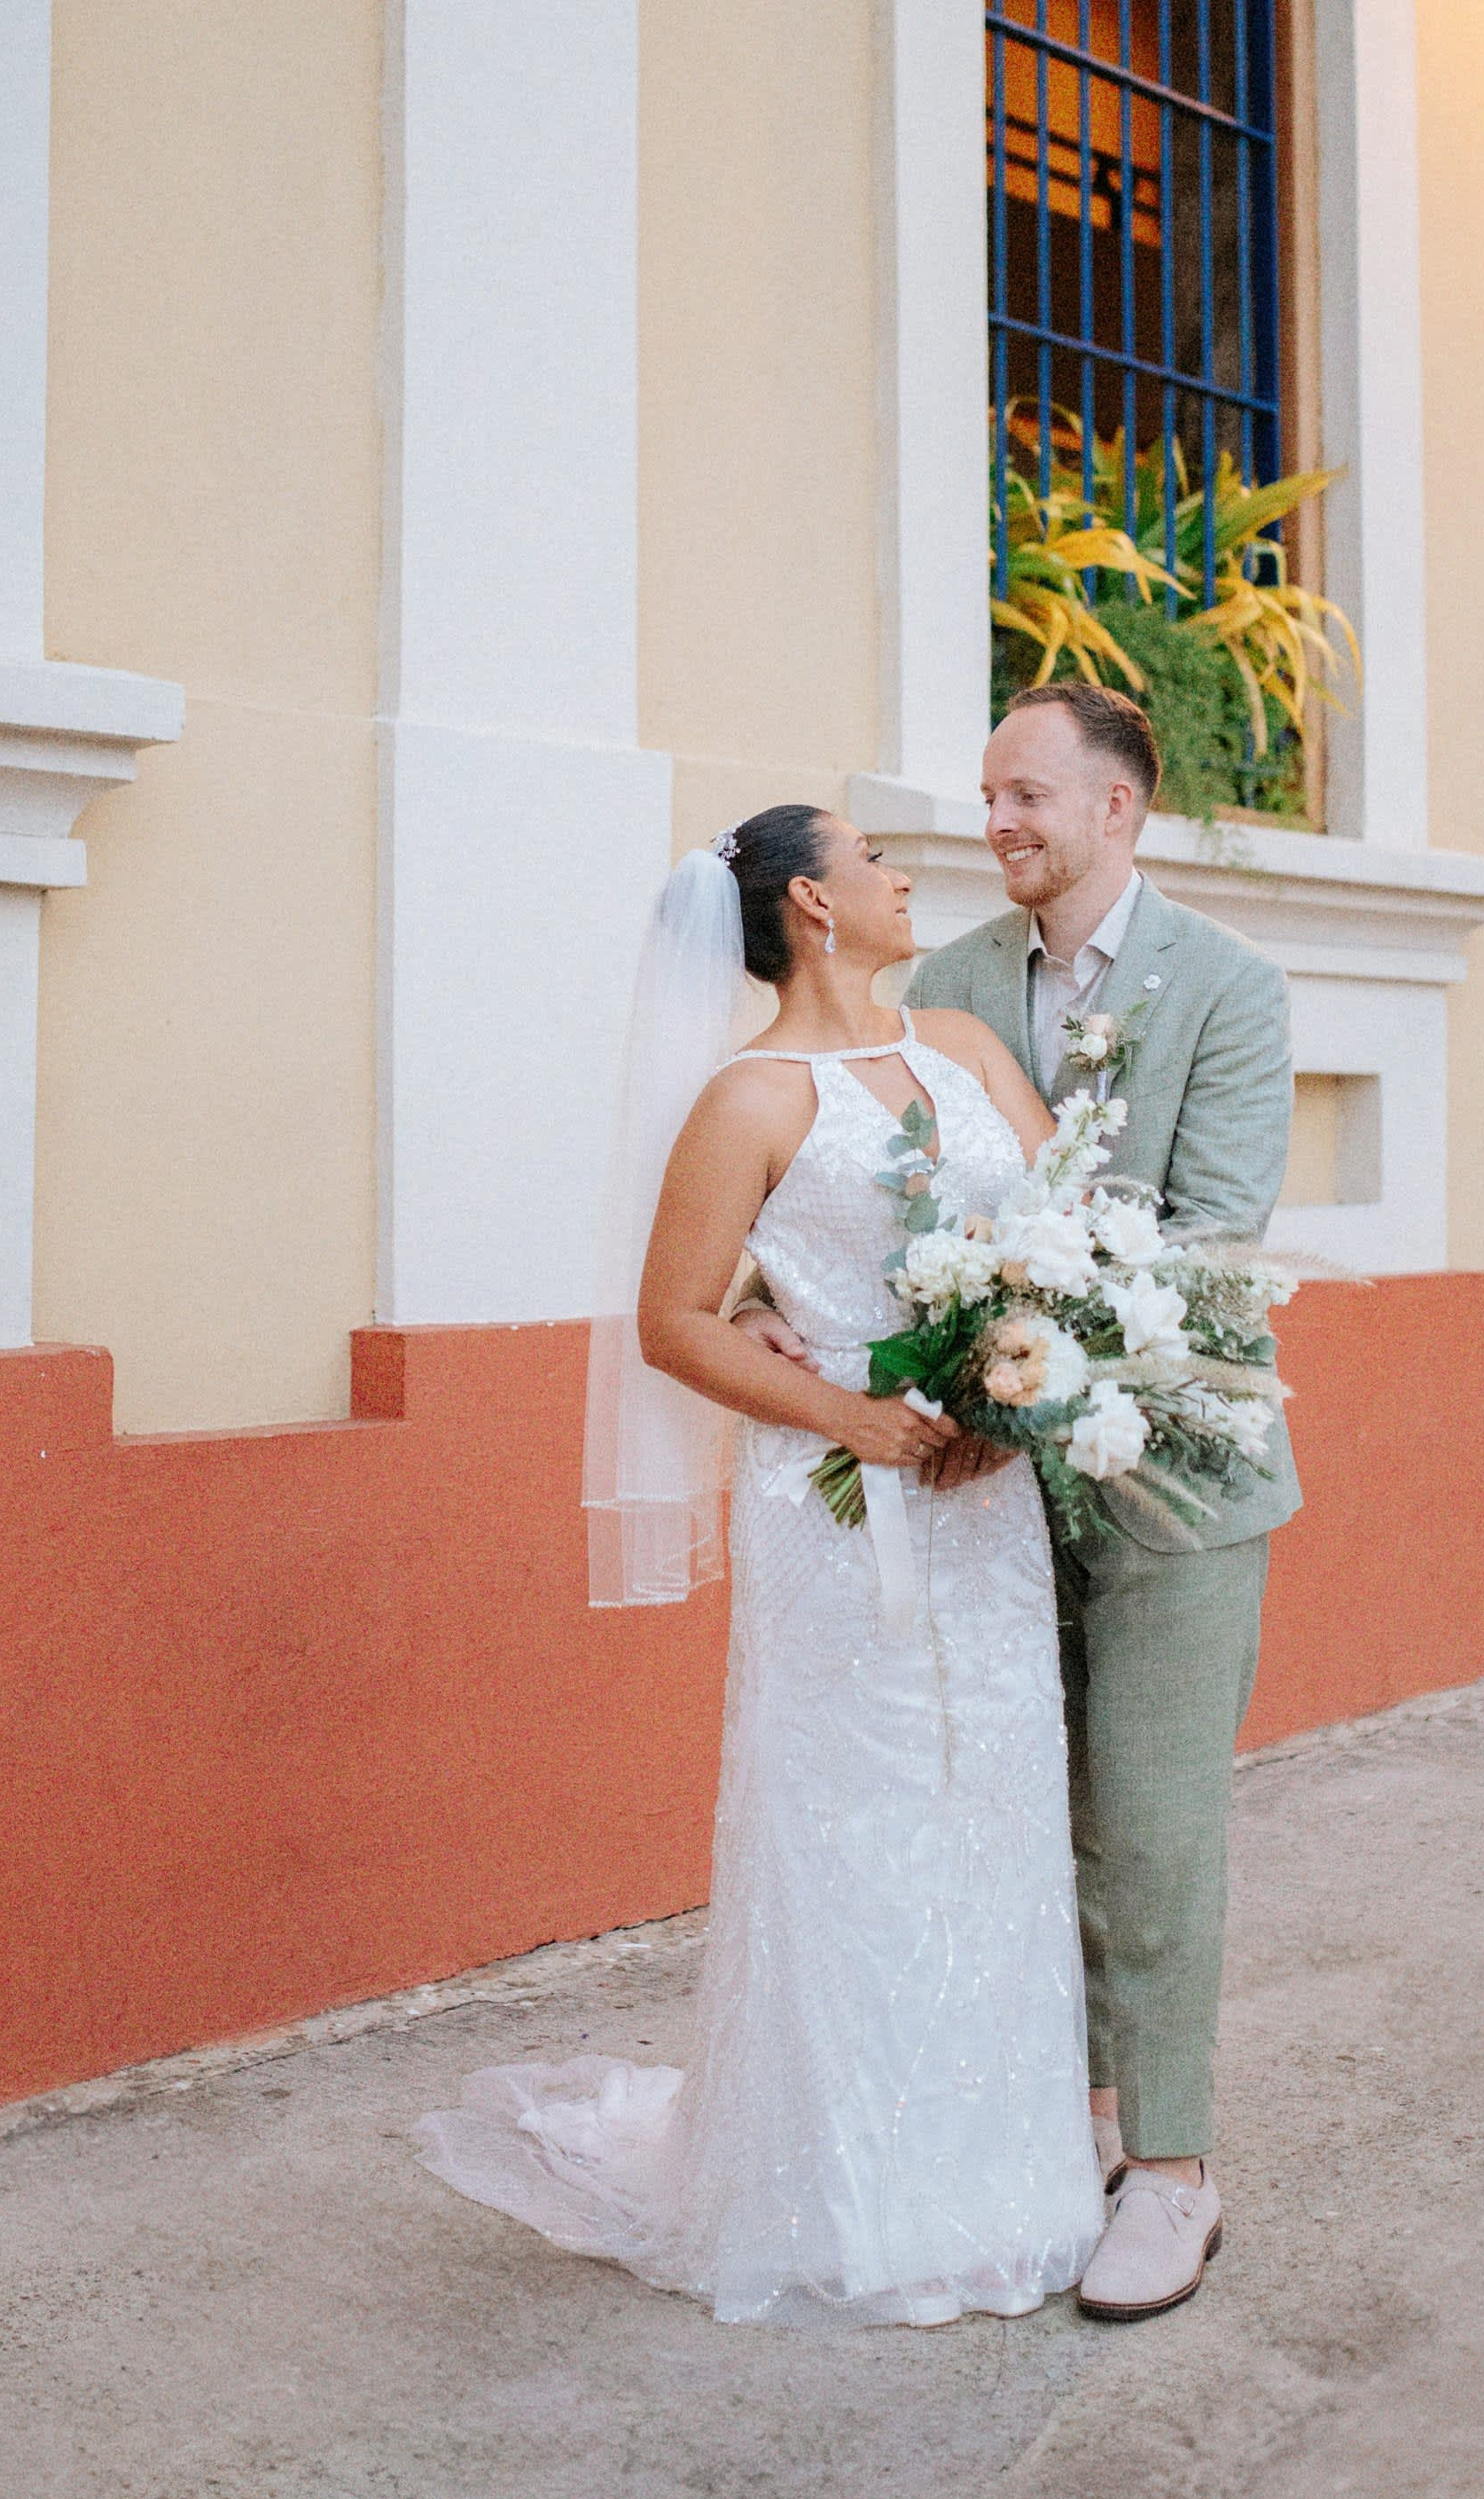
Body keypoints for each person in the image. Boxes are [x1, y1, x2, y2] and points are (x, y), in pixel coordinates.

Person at [415, 806, 1104, 2328]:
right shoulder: (745, 1100)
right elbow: (674, 1321)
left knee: (987, 1806)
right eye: (873, 858)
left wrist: (1020, 1387)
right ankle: (844, 2194)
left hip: (983, 1503)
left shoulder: (967, 1055)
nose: (905, 873)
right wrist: (863, 1420)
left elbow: (1072, 1240)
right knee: (852, 1822)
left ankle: (1010, 2182)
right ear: (811, 902)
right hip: (839, 1502)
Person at [902, 679, 1297, 2319]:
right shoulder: (946, 983)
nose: (996, 821)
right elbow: (896, 1188)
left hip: (1176, 1483)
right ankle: (1056, 2136)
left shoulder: (1229, 986)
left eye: (1026, 797)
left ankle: (1176, 2170)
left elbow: (1209, 1240)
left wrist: (1036, 1331)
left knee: (1149, 1830)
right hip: (992, 1481)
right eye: (989, 794)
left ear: (1114, 809)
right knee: (1015, 1822)